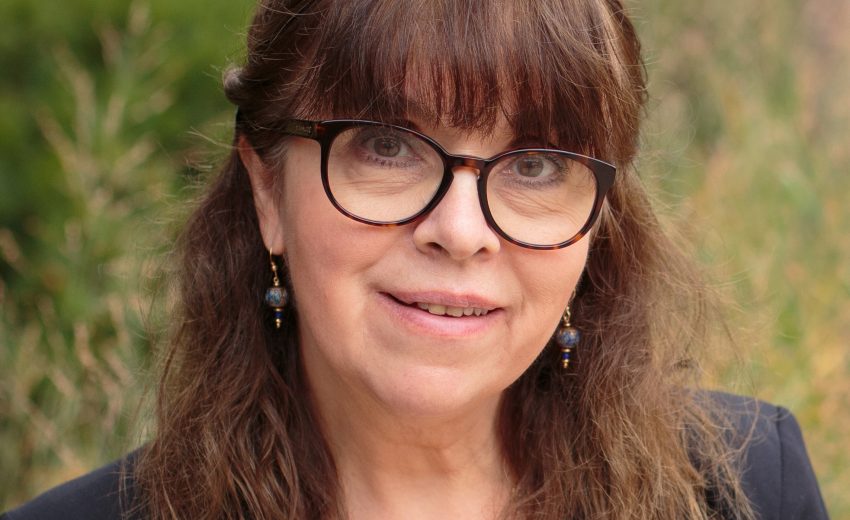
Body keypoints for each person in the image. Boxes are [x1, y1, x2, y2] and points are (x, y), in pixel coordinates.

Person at [2, 0, 830, 519]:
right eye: (388, 146)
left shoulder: (748, 489)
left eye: (538, 163)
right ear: (267, 190)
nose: (461, 231)